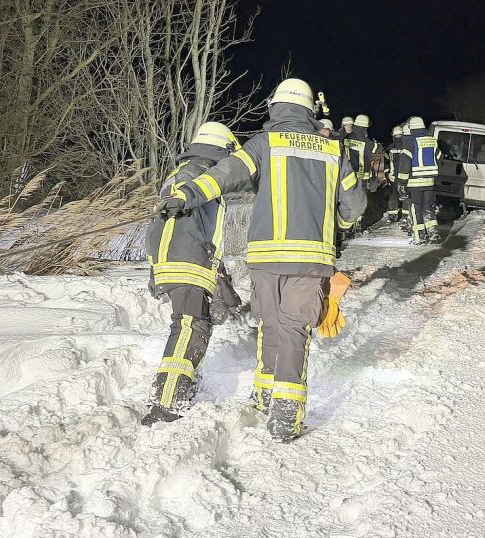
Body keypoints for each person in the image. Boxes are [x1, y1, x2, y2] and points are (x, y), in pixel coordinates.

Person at [156, 78, 366, 441]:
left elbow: (224, 175)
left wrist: (186, 195)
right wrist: (339, 226)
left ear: (276, 107)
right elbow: (356, 205)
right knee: (295, 329)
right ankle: (286, 416)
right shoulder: (334, 151)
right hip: (310, 258)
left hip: (266, 257)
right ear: (310, 110)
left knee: (269, 324)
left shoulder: (265, 142)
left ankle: (265, 396)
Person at [142, 122, 243, 426]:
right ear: (223, 150)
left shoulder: (188, 171)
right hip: (187, 262)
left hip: (182, 260)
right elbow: (177, 220)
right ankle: (168, 401)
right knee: (189, 327)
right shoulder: (197, 173)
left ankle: (177, 388)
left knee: (194, 325)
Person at [401, 116, 440, 244]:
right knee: (428, 208)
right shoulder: (433, 141)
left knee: (416, 208)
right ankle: (433, 234)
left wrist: (402, 182)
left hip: (415, 182)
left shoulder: (410, 142)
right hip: (430, 182)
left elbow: (405, 164)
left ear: (412, 129)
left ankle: (419, 237)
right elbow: (439, 157)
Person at [385, 125, 409, 222]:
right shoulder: (408, 146)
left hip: (394, 176)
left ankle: (392, 215)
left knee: (394, 194)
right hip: (406, 175)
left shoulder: (390, 147)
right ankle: (406, 216)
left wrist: (388, 174)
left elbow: (388, 161)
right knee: (406, 194)